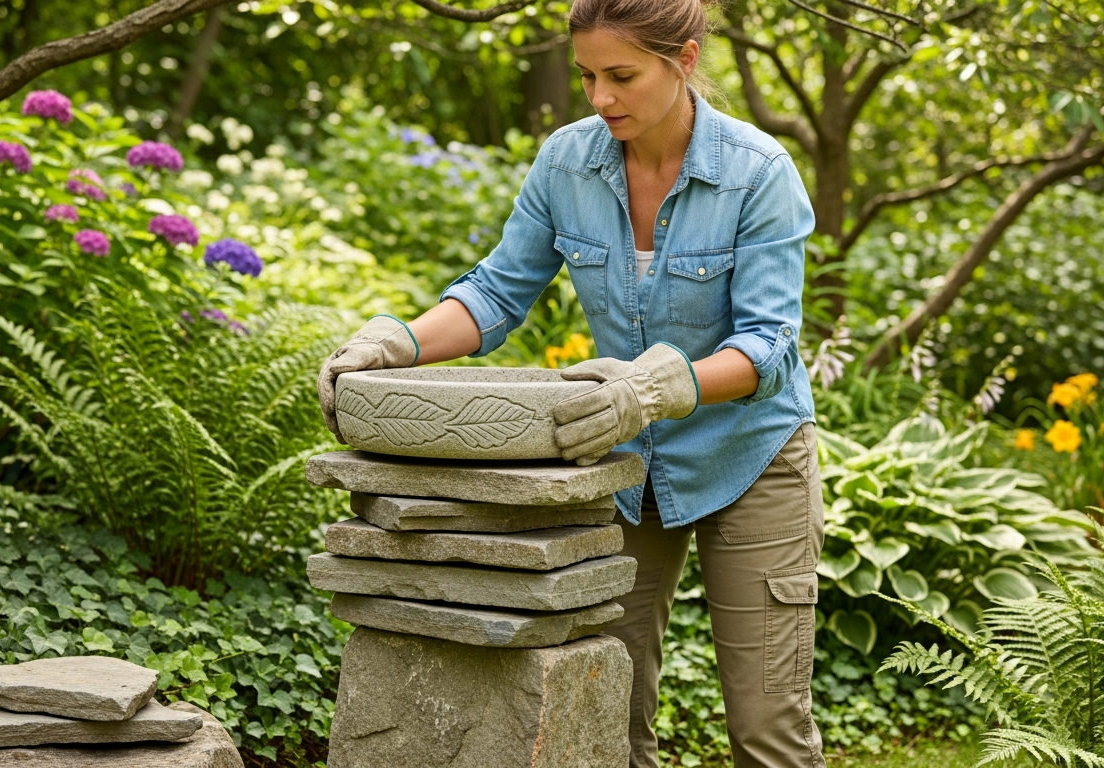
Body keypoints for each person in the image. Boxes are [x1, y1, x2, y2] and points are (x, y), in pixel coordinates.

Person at [316, 0, 825, 763]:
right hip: (625, 462)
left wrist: (657, 389)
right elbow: (497, 292)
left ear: (684, 61)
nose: (600, 98)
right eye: (586, 75)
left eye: (621, 76)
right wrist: (395, 344)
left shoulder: (758, 174)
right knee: (606, 714)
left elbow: (770, 346)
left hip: (751, 458)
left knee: (767, 728)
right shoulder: (567, 161)